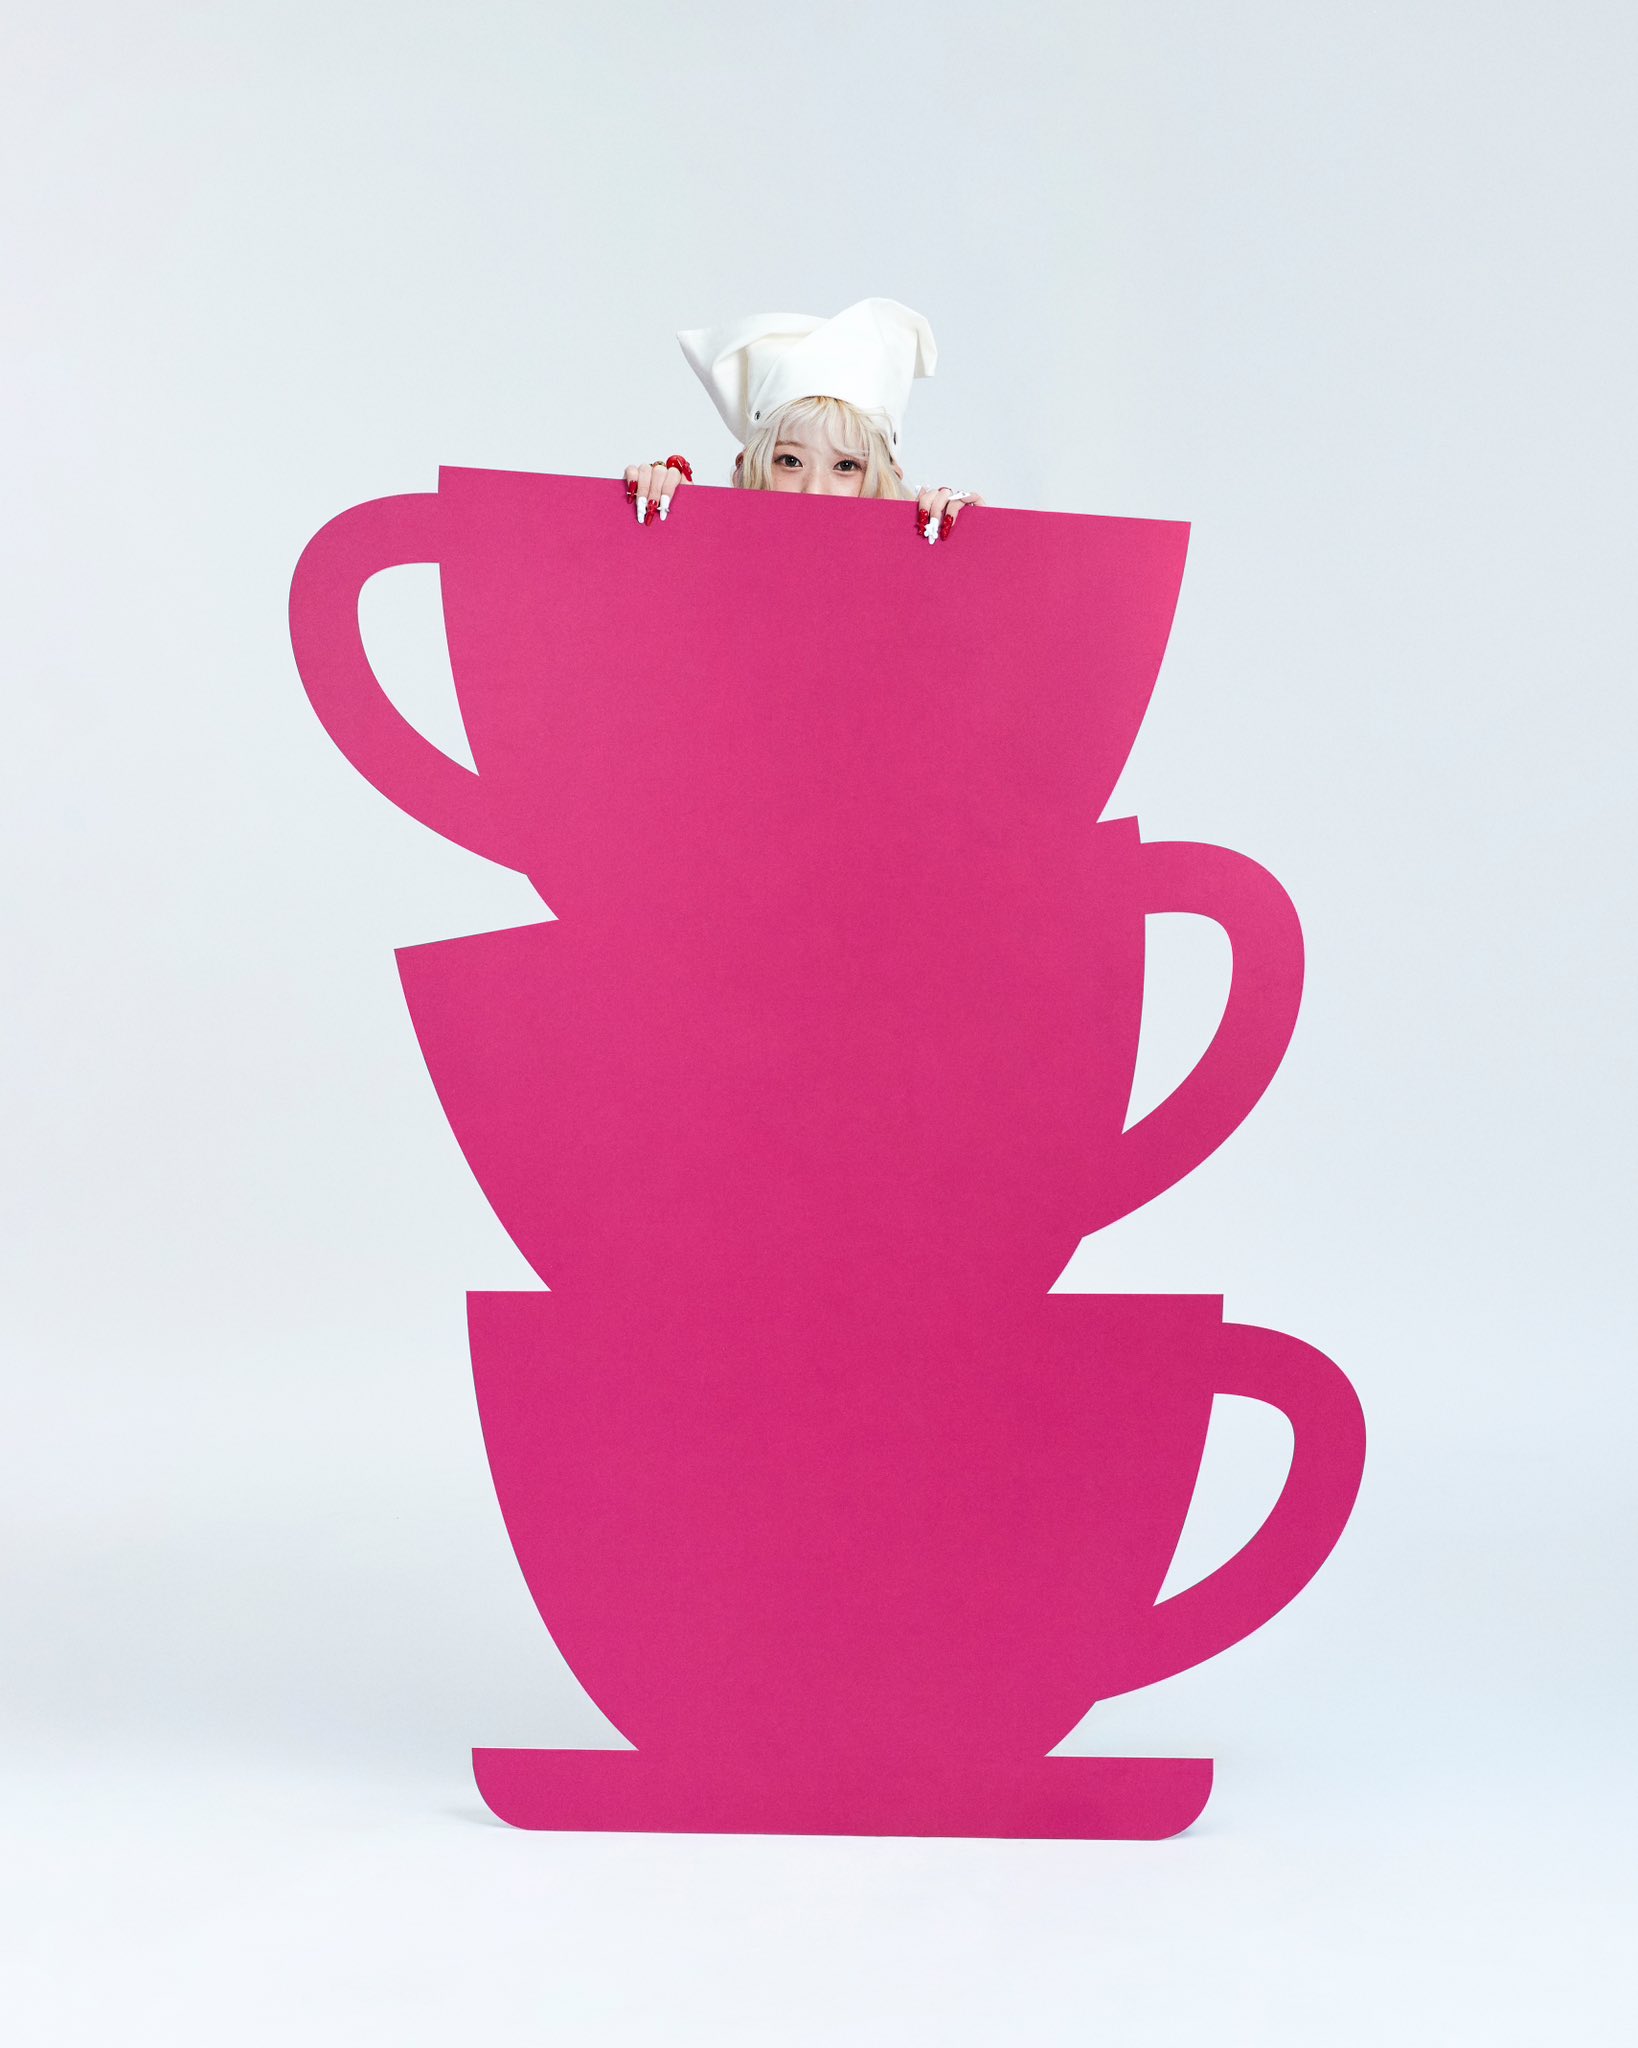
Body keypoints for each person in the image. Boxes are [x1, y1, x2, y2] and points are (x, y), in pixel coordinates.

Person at [623, 296, 984, 545]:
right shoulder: (707, 566)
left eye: (846, 465)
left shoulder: (914, 587)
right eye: (790, 460)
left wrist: (981, 547)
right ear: (746, 468)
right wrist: (667, 533)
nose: (814, 491)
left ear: (886, 479)